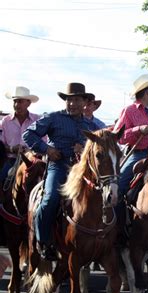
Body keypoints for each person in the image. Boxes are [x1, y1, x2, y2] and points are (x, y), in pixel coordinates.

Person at [23, 82, 99, 260]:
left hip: (81, 170)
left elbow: (99, 148)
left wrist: (85, 149)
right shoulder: (53, 118)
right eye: (69, 100)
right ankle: (43, 242)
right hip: (58, 166)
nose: (72, 104)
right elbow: (28, 134)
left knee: (100, 198)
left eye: (77, 100)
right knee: (51, 199)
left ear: (85, 102)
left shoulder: (92, 126)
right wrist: (47, 150)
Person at [113, 73, 148, 239]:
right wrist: (139, 130)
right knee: (118, 188)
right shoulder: (129, 111)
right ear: (146, 92)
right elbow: (118, 136)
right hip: (139, 153)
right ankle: (118, 230)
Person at [1, 87, 41, 186]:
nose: (16, 105)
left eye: (20, 102)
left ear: (28, 103)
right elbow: (0, 145)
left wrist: (30, 151)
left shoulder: (38, 120)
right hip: (11, 159)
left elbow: (43, 142)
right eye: (15, 101)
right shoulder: (5, 121)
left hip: (32, 161)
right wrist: (11, 148)